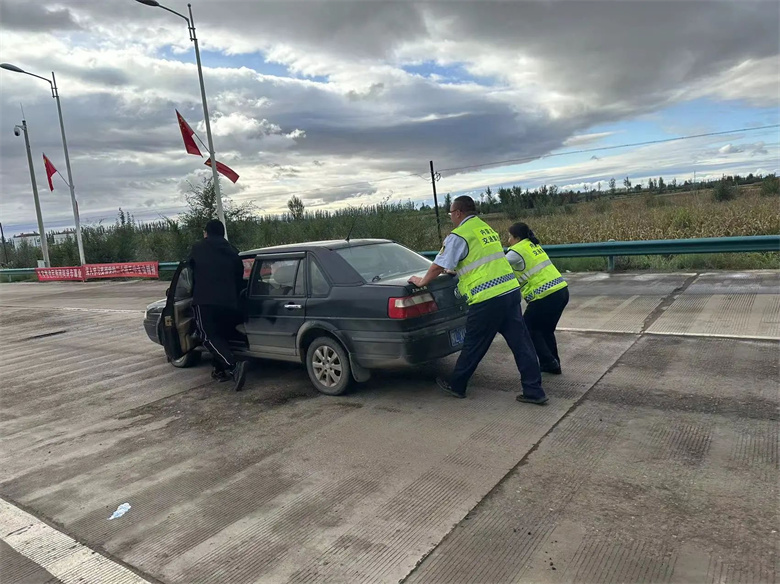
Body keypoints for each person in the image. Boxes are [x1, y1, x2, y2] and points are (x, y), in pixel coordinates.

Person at [409, 196, 547, 405]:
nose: (451, 217)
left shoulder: (459, 234)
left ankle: (457, 385)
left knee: (473, 344)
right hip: (509, 292)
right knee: (522, 344)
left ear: (458, 213)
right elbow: (482, 261)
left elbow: (438, 265)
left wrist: (422, 281)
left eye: (451, 213)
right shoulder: (485, 229)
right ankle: (534, 390)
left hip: (487, 299)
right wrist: (458, 270)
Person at [187, 219, 248, 391]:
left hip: (205, 301)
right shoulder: (233, 250)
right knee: (220, 336)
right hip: (229, 302)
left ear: (207, 232)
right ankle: (219, 370)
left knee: (207, 335)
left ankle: (233, 366)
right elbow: (239, 276)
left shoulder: (198, 248)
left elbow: (190, 272)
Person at [506, 222, 569, 374]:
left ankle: (549, 362)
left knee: (527, 329)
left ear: (517, 238)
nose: (508, 240)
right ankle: (553, 364)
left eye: (510, 236)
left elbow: (497, 267)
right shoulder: (533, 246)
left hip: (545, 296)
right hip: (561, 291)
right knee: (546, 331)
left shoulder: (516, 252)